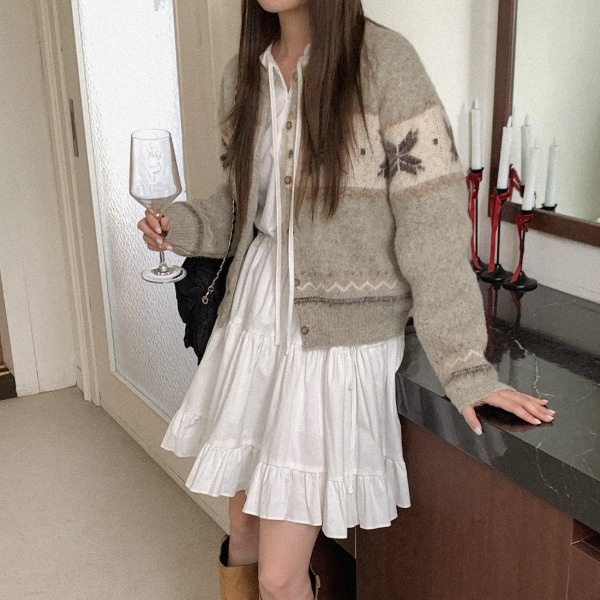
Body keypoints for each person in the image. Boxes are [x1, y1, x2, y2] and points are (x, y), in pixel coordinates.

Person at [138, 1, 555, 599]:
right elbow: (242, 205)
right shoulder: (245, 74)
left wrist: (465, 364)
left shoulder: (385, 64)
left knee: (279, 575)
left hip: (336, 334)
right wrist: (176, 226)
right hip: (256, 315)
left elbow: (432, 226)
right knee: (242, 524)